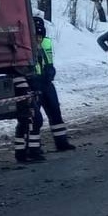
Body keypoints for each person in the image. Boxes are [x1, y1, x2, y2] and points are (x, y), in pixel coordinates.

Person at [31, 13, 75, 151]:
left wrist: (50, 71)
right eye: (36, 36)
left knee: (56, 113)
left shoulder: (46, 43)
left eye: (40, 36)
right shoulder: (26, 46)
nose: (38, 39)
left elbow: (49, 61)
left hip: (47, 83)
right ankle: (33, 148)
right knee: (35, 118)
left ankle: (61, 143)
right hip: (34, 85)